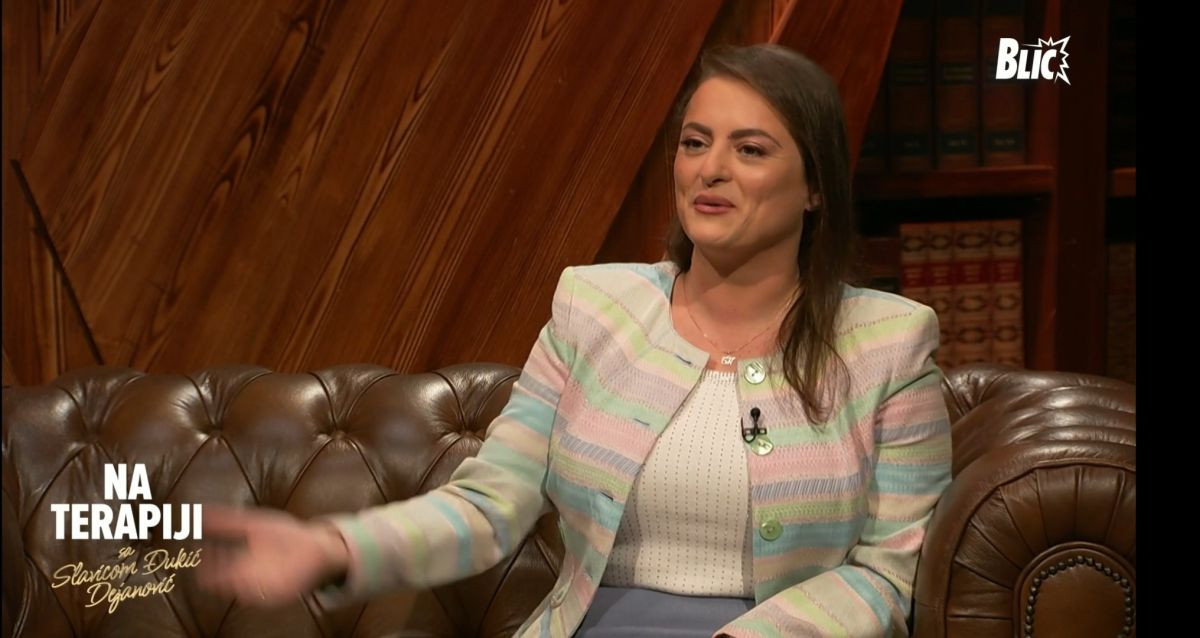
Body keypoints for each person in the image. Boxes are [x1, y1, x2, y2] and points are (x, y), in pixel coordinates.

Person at [198, 43, 953, 638]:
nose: (710, 170)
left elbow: (888, 574)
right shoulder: (593, 308)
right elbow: (490, 505)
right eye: (694, 143)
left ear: (815, 186)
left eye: (750, 150)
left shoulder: (888, 342)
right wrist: (337, 548)